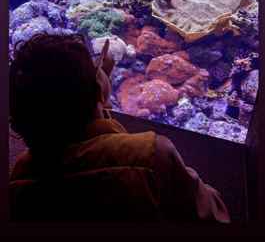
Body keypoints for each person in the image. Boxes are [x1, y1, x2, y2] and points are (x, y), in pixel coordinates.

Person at [9, 32, 230, 223]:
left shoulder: (17, 180)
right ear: (99, 93)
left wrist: (97, 104)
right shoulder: (152, 154)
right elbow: (214, 216)